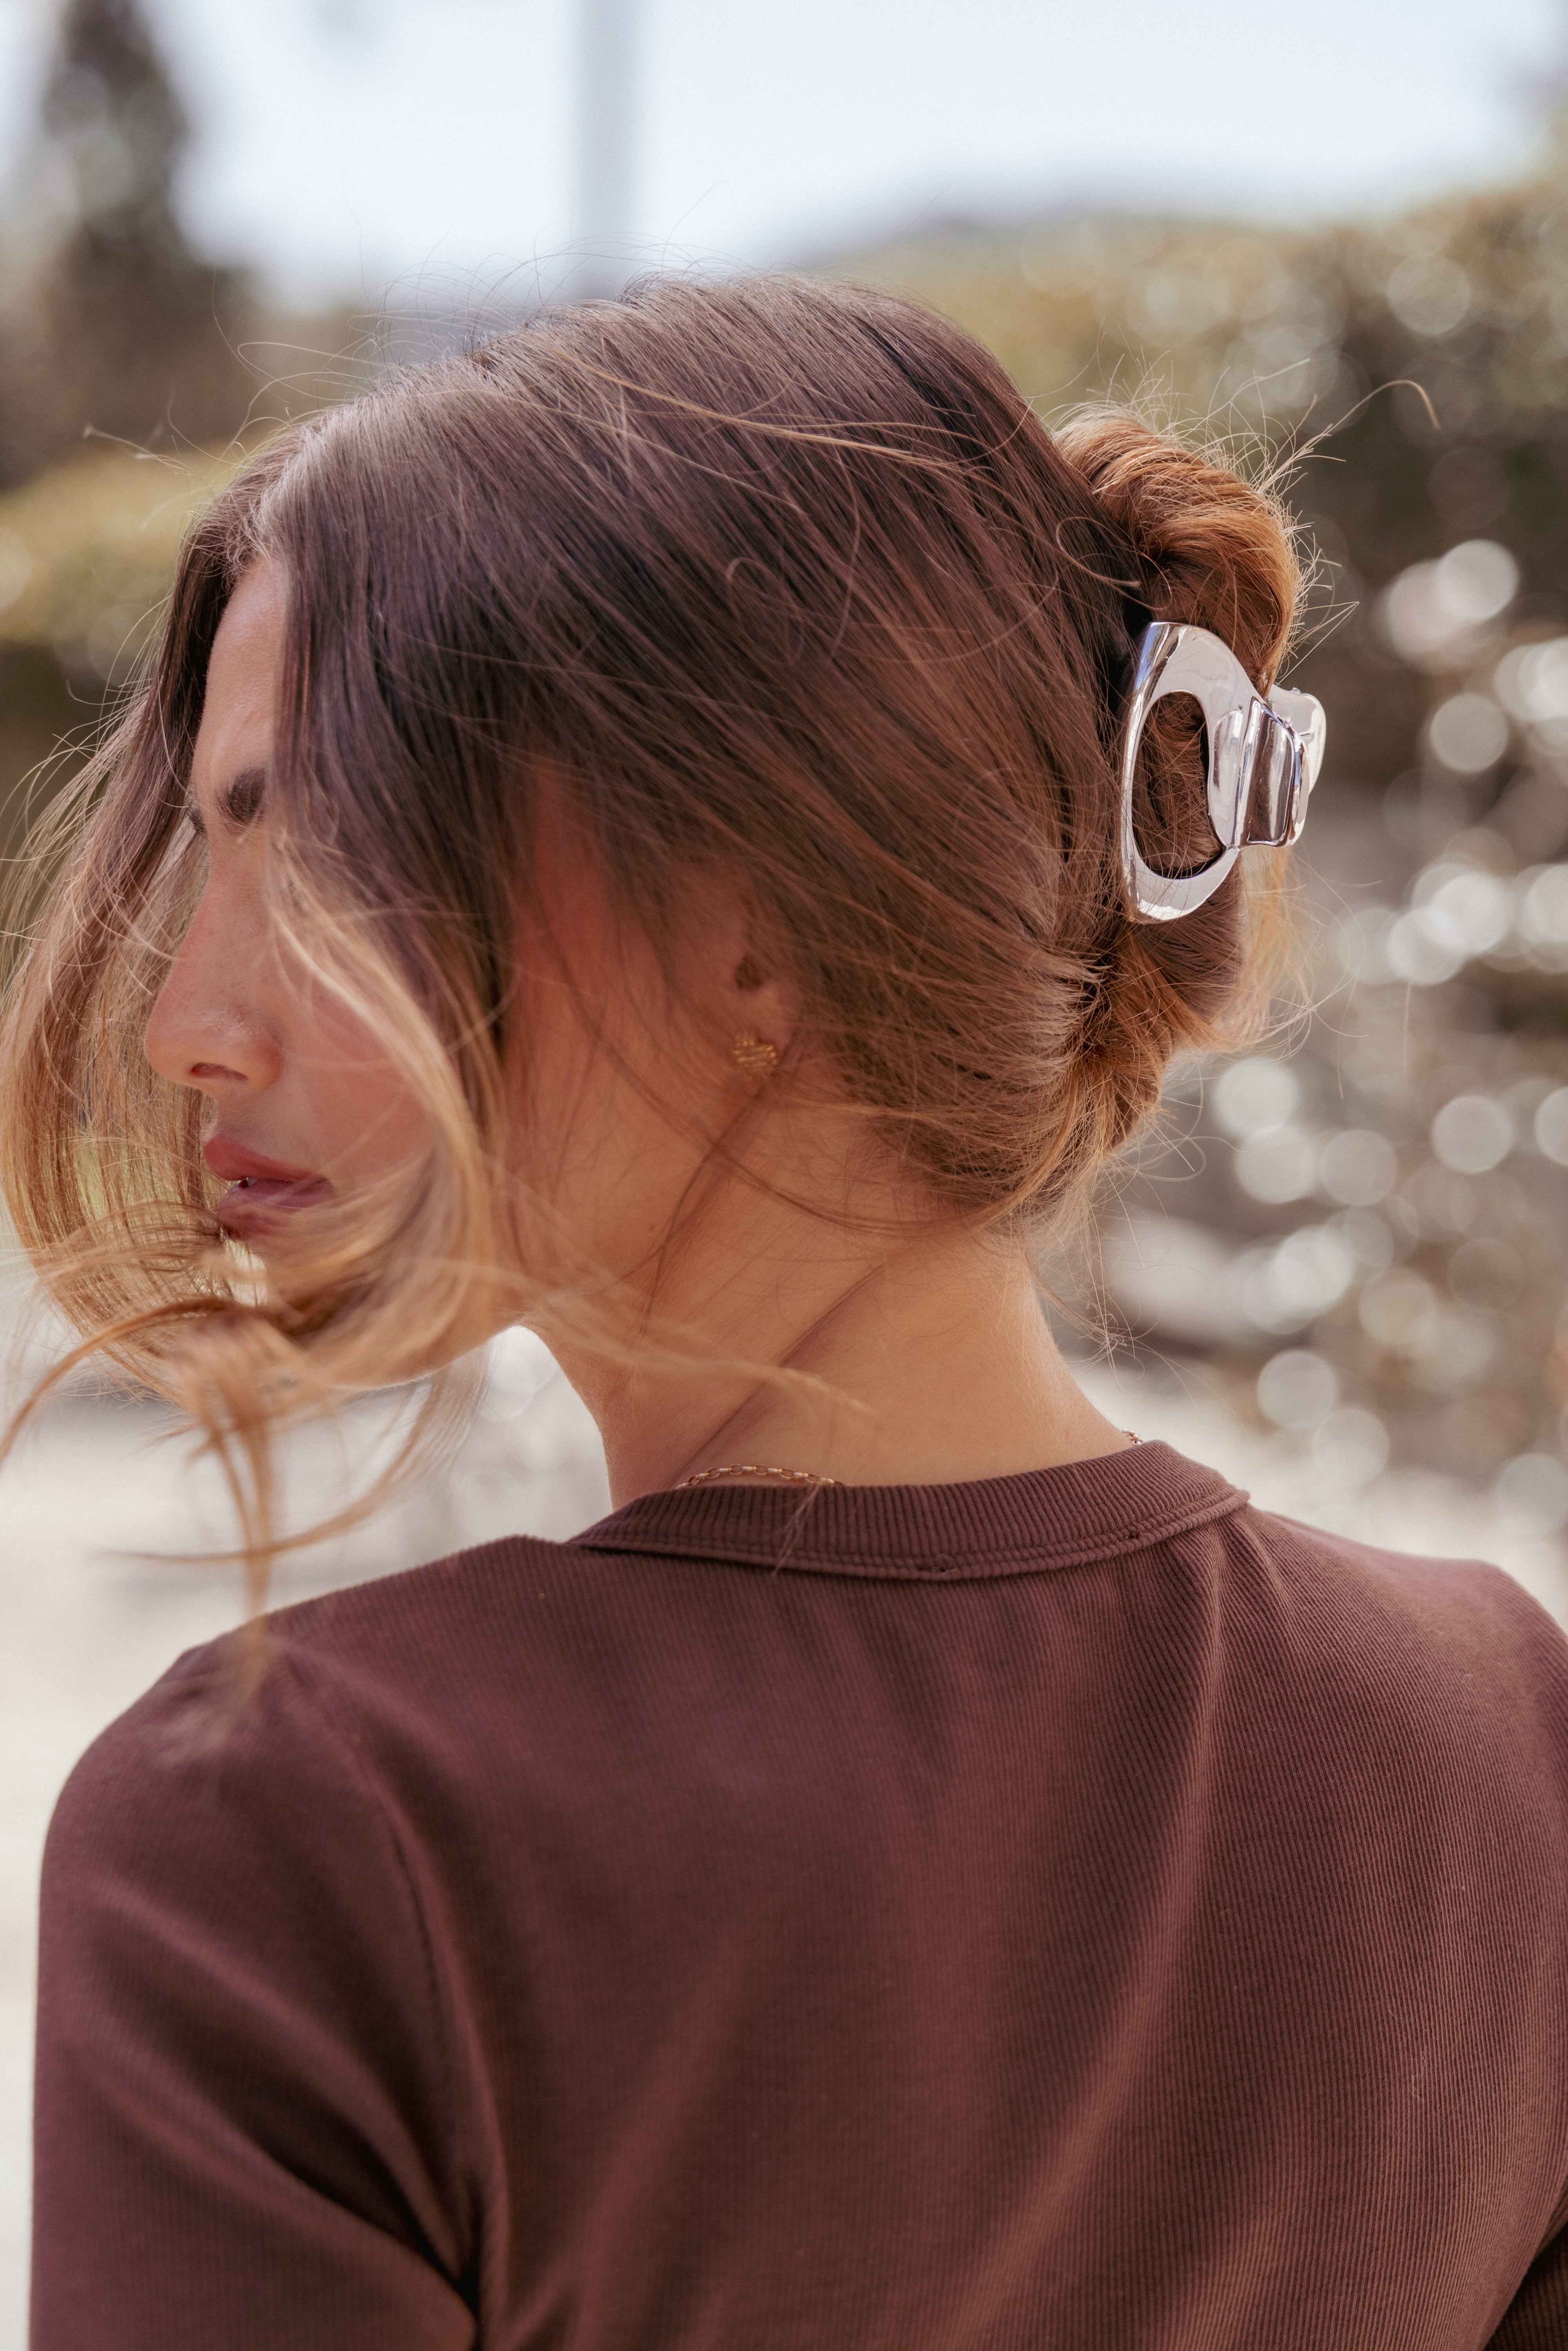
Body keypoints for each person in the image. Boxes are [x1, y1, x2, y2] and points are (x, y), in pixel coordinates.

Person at [7, 273, 1568, 2348]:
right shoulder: (1506, 1735)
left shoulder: (298, 1839)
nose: (188, 1021)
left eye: (317, 859)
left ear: (755, 918)